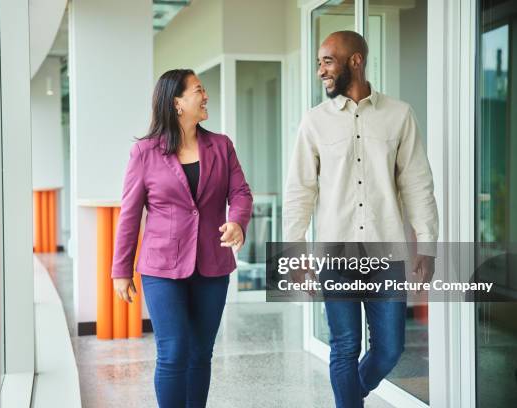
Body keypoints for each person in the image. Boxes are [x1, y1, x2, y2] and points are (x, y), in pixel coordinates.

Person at [283, 31, 439, 408]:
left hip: (386, 253)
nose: (320, 69)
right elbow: (300, 189)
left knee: (390, 348)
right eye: (318, 62)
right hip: (335, 253)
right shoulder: (314, 122)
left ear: (355, 60)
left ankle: (352, 394)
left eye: (327, 60)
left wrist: (428, 245)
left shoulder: (399, 115)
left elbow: (418, 183)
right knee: (345, 345)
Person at [111, 69, 253, 408]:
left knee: (201, 352)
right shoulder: (145, 152)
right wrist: (121, 269)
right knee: (173, 352)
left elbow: (241, 192)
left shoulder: (221, 145)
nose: (206, 97)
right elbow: (130, 213)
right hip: (161, 267)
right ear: (177, 102)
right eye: (199, 90)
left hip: (212, 265)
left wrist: (237, 222)